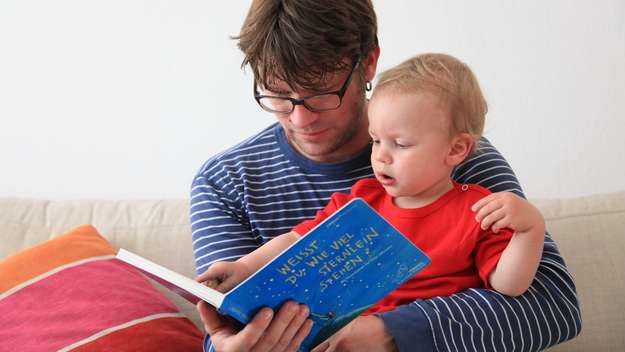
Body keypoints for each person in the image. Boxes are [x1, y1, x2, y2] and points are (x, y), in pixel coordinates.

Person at [190, 1, 581, 351]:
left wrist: (387, 333)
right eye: (277, 94)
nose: (300, 117)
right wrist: (230, 344)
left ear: (368, 64)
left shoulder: (455, 159)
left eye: (320, 92)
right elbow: (223, 326)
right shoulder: (224, 183)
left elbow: (552, 307)